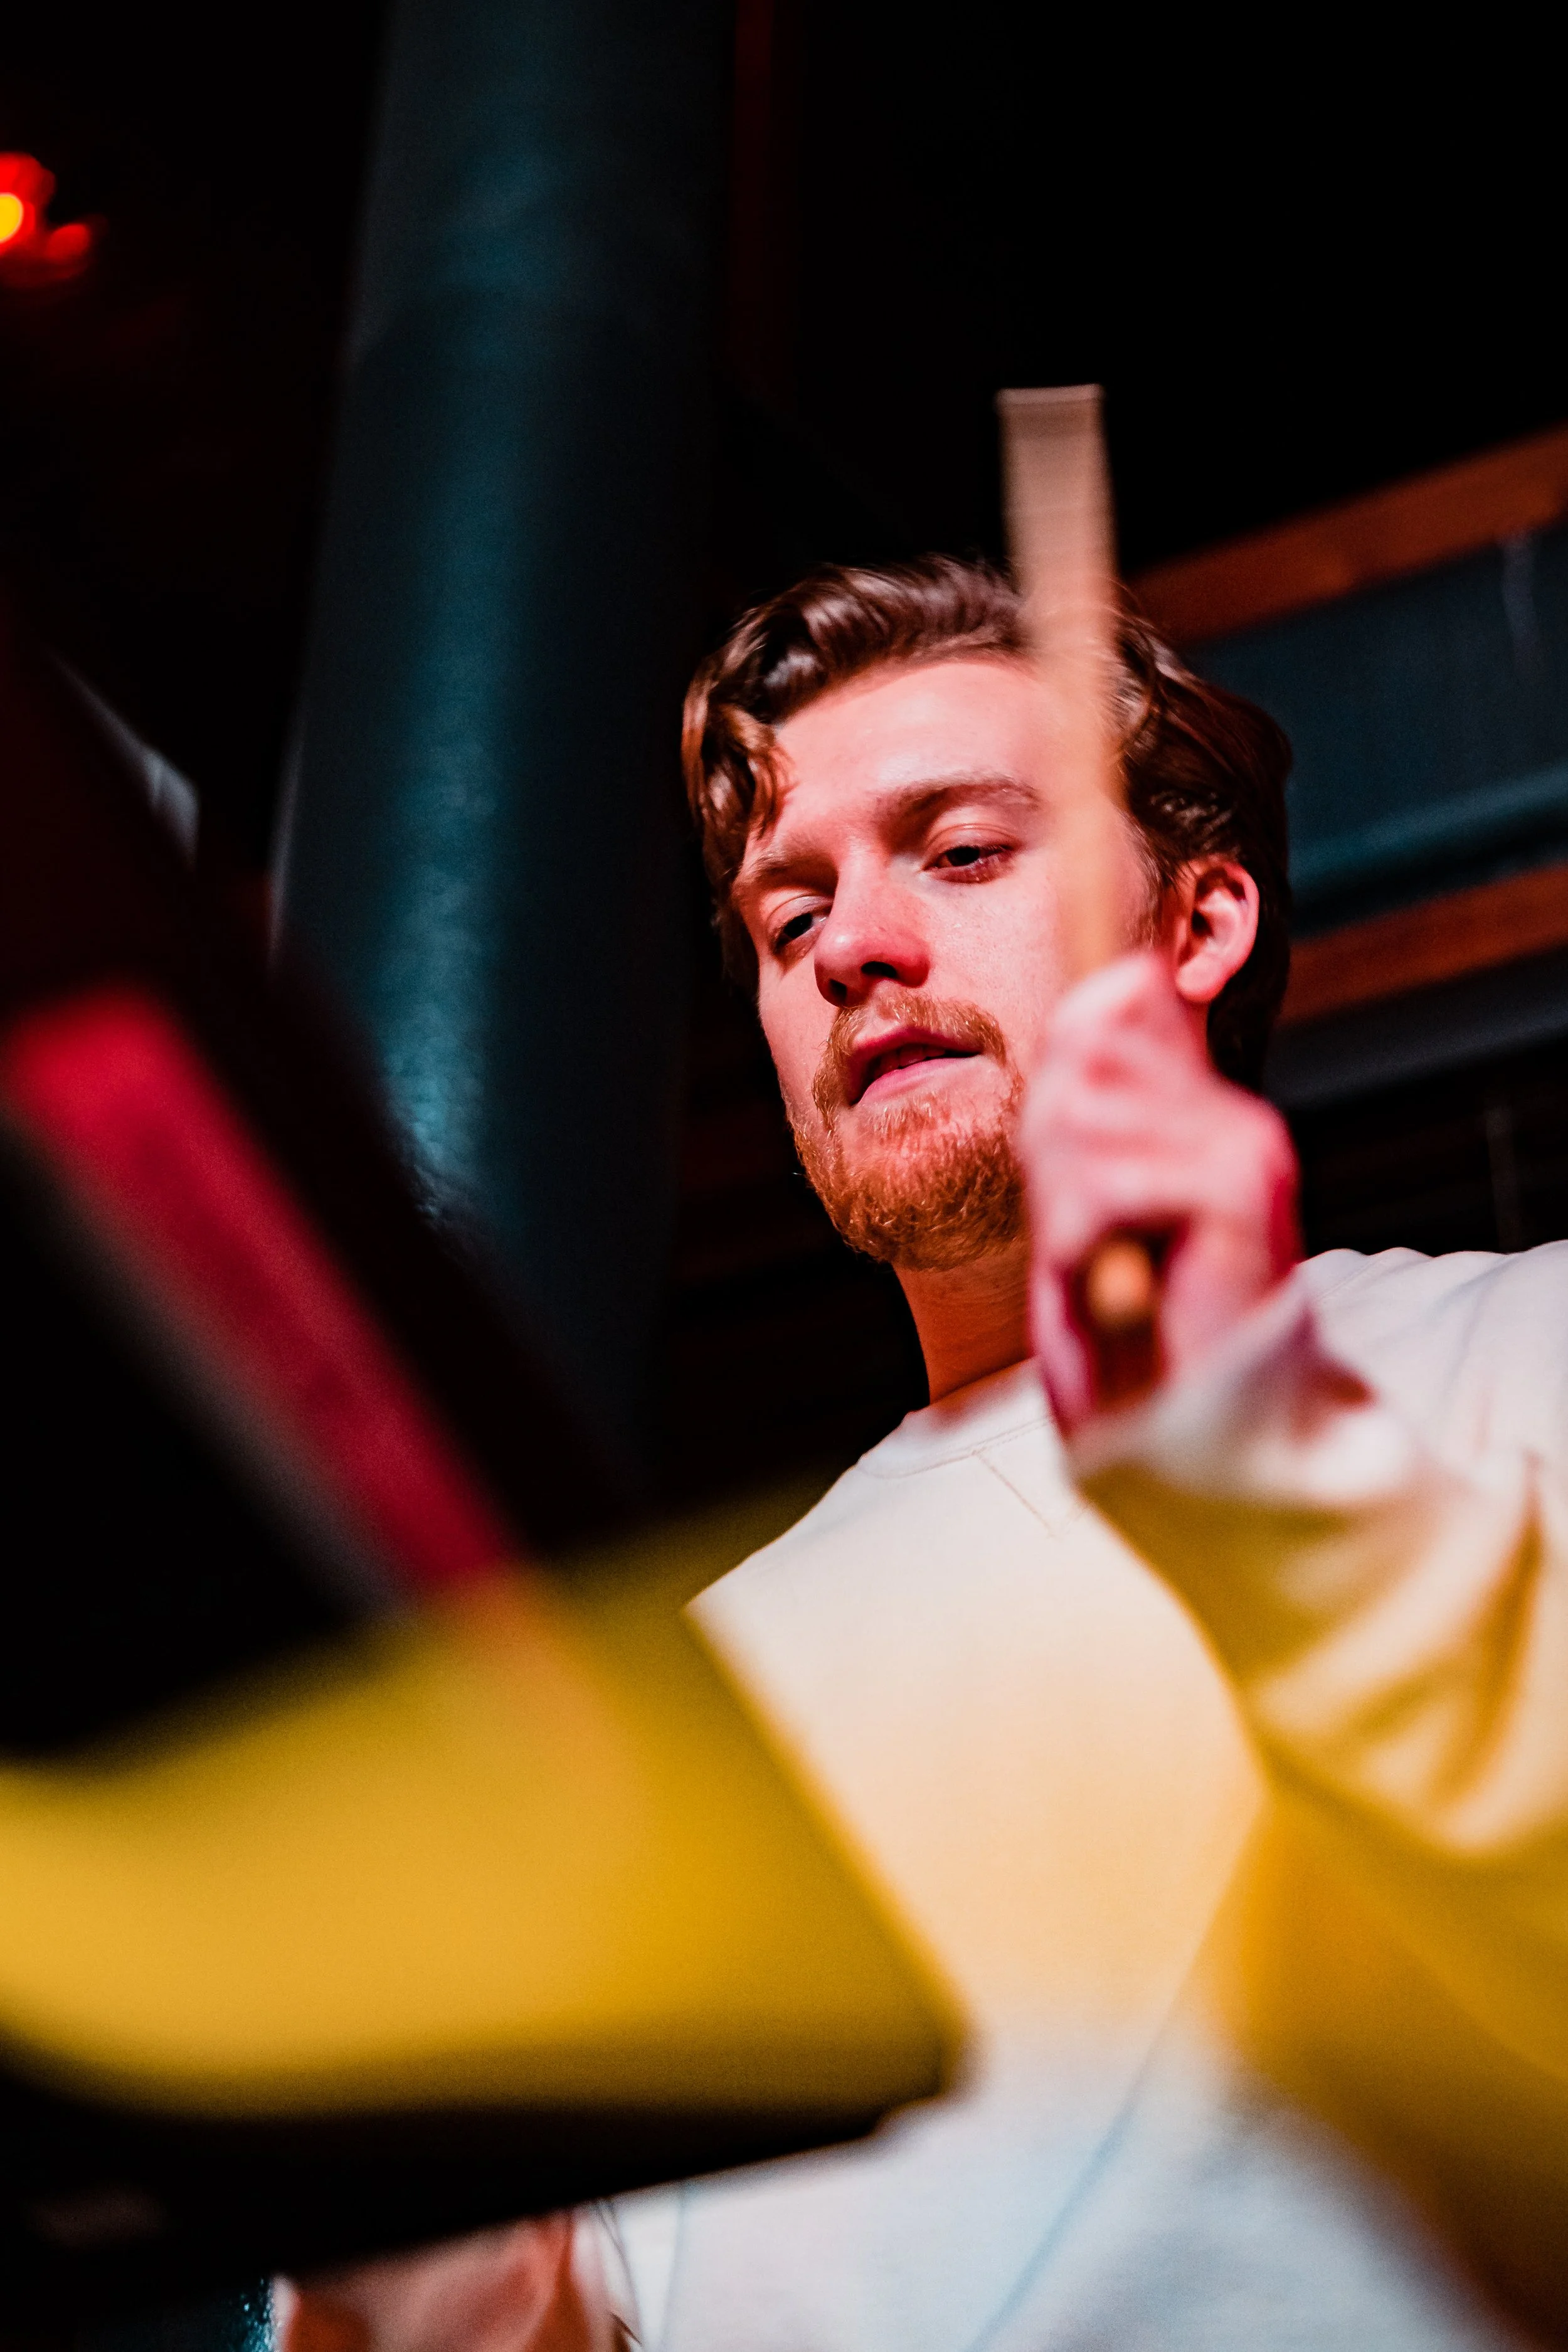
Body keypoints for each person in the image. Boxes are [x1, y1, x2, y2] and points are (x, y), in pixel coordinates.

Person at [286, 558, 1568, 2352]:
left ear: (1197, 923)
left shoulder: (1525, 1353)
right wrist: (429, 2270)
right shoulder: (684, 1694)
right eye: (784, 909)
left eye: (960, 851)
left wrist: (1279, 1491)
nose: (848, 946)